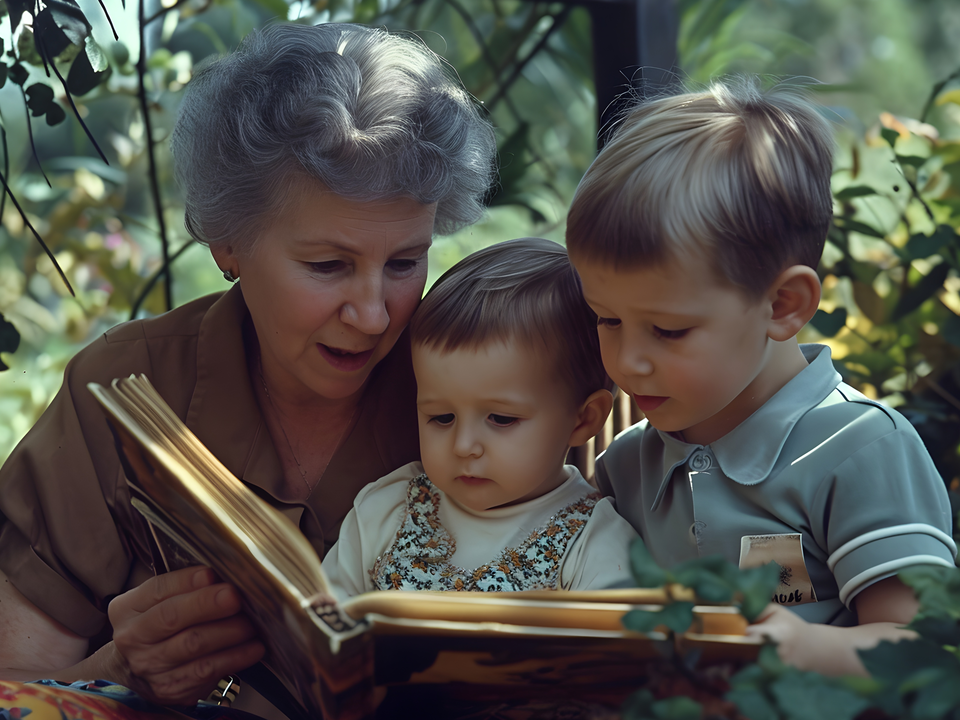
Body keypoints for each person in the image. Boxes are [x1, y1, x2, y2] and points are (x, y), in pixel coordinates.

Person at [0, 22, 496, 710]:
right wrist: (122, 669)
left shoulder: (484, 383)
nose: (375, 315)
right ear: (228, 242)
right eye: (328, 266)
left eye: (406, 262)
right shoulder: (119, 392)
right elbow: (18, 689)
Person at [565, 77, 957, 676]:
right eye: (608, 319)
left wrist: (802, 652)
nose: (628, 362)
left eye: (668, 331)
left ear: (782, 305)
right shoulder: (627, 467)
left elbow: (927, 654)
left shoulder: (860, 449)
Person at [322, 238, 638, 598]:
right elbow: (318, 628)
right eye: (441, 417)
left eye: (500, 419)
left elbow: (615, 651)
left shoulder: (596, 544)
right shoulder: (387, 510)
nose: (463, 446)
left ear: (583, 420)